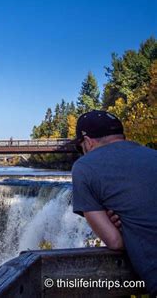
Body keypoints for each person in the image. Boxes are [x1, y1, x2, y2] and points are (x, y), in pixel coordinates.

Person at [71, 110, 157, 295]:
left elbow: (115, 242)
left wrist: (123, 226)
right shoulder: (153, 155)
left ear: (87, 141)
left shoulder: (84, 167)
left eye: (80, 148)